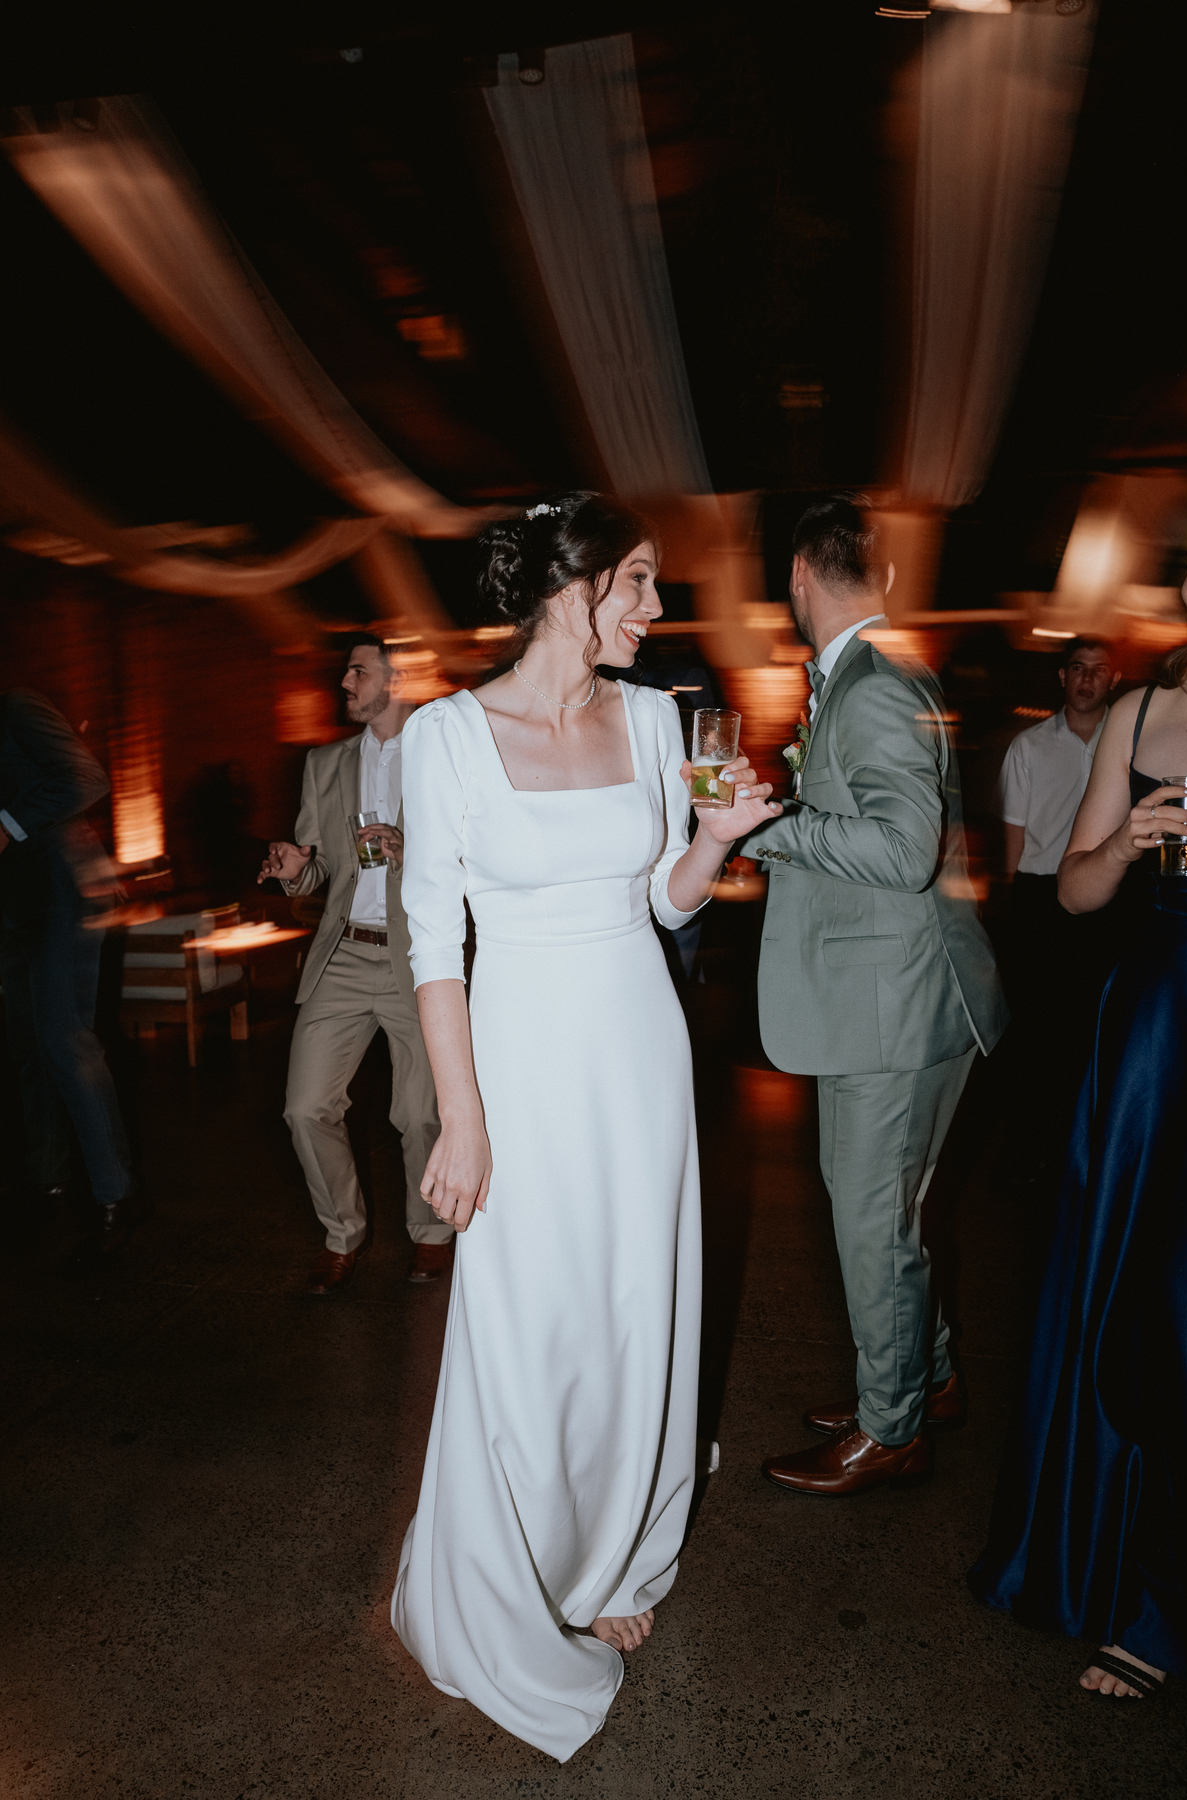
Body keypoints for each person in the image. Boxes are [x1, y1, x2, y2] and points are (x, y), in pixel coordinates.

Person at [390, 492, 779, 1762]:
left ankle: (618, 1555)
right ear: (575, 588)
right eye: (640, 585)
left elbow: (665, 900)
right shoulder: (444, 734)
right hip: (516, 1054)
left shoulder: (658, 715)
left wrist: (714, 840)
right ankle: (517, 1578)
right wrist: (463, 1116)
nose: (657, 610)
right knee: (525, 1319)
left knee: (635, 1304)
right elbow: (432, 940)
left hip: (636, 1048)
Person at [969, 555, 1187, 1701]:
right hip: (1162, 1026)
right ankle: (1144, 1584)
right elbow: (1071, 888)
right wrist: (1132, 841)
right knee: (1140, 1295)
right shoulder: (1146, 710)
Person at [747, 495, 1008, 1498]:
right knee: (888, 1213)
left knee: (870, 1220)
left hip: (893, 1011)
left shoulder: (866, 689)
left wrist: (760, 825)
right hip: (896, 997)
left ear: (801, 577)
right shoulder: (877, 674)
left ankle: (891, 1429)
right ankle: (922, 1379)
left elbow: (903, 854)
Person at [258, 638, 452, 1294]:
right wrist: (295, 869)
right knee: (305, 1107)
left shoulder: (440, 756)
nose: (345, 680)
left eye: (359, 670)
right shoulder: (326, 762)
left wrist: (411, 848)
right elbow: (316, 865)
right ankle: (342, 1232)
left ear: (397, 681)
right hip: (343, 954)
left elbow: (476, 856)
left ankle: (431, 1235)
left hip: (417, 958)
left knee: (420, 1113)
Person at [0, 688, 138, 1248]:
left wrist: (6, 825)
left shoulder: (13, 707)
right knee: (27, 1046)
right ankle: (48, 1182)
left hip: (63, 888)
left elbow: (86, 777)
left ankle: (118, 1193)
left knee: (64, 1043)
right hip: (13, 905)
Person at [997, 637, 1123, 1178]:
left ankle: (1085, 1152)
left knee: (1091, 1027)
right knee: (1032, 1028)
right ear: (1062, 677)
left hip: (1107, 901)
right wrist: (1013, 906)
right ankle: (1027, 1150)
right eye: (1078, 668)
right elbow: (1015, 835)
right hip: (1039, 895)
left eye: (1099, 670)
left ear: (1113, 680)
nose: (1088, 679)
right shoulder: (1029, 746)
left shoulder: (1128, 744)